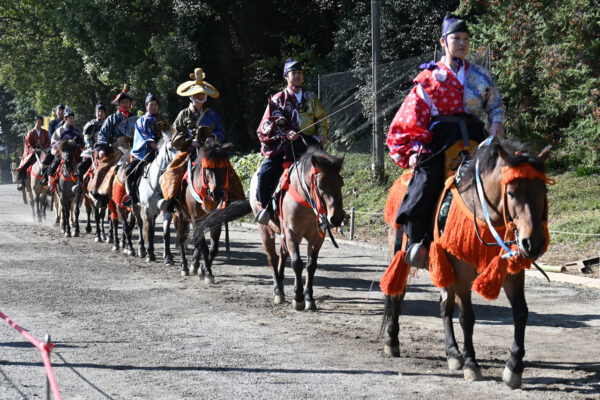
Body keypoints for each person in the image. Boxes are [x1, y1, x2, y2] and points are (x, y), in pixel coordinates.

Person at [386, 13, 505, 267]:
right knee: (425, 180)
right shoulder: (429, 78)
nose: (462, 43)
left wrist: (496, 123)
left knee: (505, 177)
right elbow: (413, 114)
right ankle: (417, 241)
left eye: (465, 39)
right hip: (440, 140)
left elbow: (495, 105)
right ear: (443, 42)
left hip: (476, 137)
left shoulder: (481, 76)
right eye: (456, 38)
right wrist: (415, 148)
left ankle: (510, 238)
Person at [254, 58, 329, 225]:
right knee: (265, 173)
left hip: (309, 143)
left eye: (300, 72)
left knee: (329, 171)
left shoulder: (311, 98)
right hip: (284, 145)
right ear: (286, 76)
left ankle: (331, 210)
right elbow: (267, 124)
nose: (297, 76)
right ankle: (264, 208)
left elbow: (322, 119)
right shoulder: (277, 99)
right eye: (293, 73)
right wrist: (285, 132)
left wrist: (321, 135)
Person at [160, 67, 243, 212]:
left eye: (202, 93)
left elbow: (221, 131)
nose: (200, 96)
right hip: (190, 151)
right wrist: (189, 141)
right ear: (191, 96)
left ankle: (236, 201)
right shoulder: (183, 114)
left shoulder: (213, 114)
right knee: (173, 171)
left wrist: (212, 137)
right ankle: (172, 201)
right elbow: (175, 134)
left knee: (229, 170)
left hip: (211, 151)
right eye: (197, 94)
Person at [88, 84, 136, 201]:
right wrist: (102, 149)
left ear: (130, 103)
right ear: (119, 104)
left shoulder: (135, 119)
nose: (125, 104)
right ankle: (97, 192)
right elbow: (103, 135)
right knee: (103, 166)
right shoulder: (111, 119)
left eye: (127, 102)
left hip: (132, 148)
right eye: (123, 102)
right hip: (115, 149)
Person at [123, 93, 162, 206]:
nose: (154, 107)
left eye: (155, 105)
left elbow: (168, 132)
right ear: (146, 106)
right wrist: (151, 143)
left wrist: (163, 143)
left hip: (161, 149)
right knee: (129, 171)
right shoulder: (141, 121)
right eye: (151, 105)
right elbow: (143, 134)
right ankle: (132, 196)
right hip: (144, 152)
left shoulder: (163, 120)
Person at [71, 101, 107, 194]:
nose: (100, 113)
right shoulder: (91, 124)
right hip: (92, 150)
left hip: (106, 150)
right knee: (81, 166)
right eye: (98, 111)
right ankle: (79, 185)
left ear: (105, 113)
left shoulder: (108, 124)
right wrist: (91, 147)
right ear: (95, 113)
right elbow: (86, 138)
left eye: (102, 111)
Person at [42, 109, 84, 184]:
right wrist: (60, 145)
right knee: (53, 166)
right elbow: (54, 141)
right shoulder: (59, 130)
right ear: (65, 119)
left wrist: (78, 145)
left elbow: (81, 142)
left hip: (75, 153)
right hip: (63, 153)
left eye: (73, 118)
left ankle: (81, 183)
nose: (72, 120)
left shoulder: (77, 131)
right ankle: (50, 185)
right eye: (70, 118)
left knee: (83, 165)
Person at [16, 115, 51, 191]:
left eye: (41, 122)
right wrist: (33, 149)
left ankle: (50, 181)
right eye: (38, 122)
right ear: (35, 122)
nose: (39, 123)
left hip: (43, 151)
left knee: (51, 163)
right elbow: (28, 143)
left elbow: (48, 142)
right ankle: (22, 183)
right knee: (24, 166)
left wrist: (44, 147)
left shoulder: (45, 132)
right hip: (33, 152)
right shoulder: (30, 133)